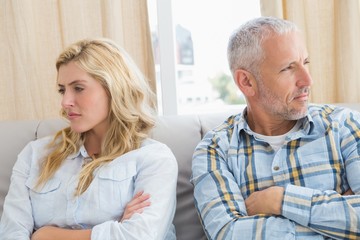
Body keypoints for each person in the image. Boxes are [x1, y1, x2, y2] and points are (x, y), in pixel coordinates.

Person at [191, 16, 360, 239]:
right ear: (246, 82)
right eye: (288, 68)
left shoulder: (343, 125)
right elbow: (227, 234)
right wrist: (338, 222)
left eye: (305, 63)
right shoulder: (215, 150)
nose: (307, 80)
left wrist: (280, 200)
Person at [0, 38, 178, 240]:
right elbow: (11, 234)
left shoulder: (153, 158)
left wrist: (45, 235)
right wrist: (116, 226)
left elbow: (139, 236)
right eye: (62, 90)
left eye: (78, 88)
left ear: (114, 88)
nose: (65, 102)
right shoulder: (35, 155)